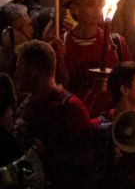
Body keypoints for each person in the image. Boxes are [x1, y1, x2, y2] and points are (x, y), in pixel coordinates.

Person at [13, 40, 95, 189]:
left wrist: (47, 153)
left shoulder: (70, 108)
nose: (16, 74)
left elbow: (85, 158)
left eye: (19, 68)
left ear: (33, 72)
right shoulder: (26, 103)